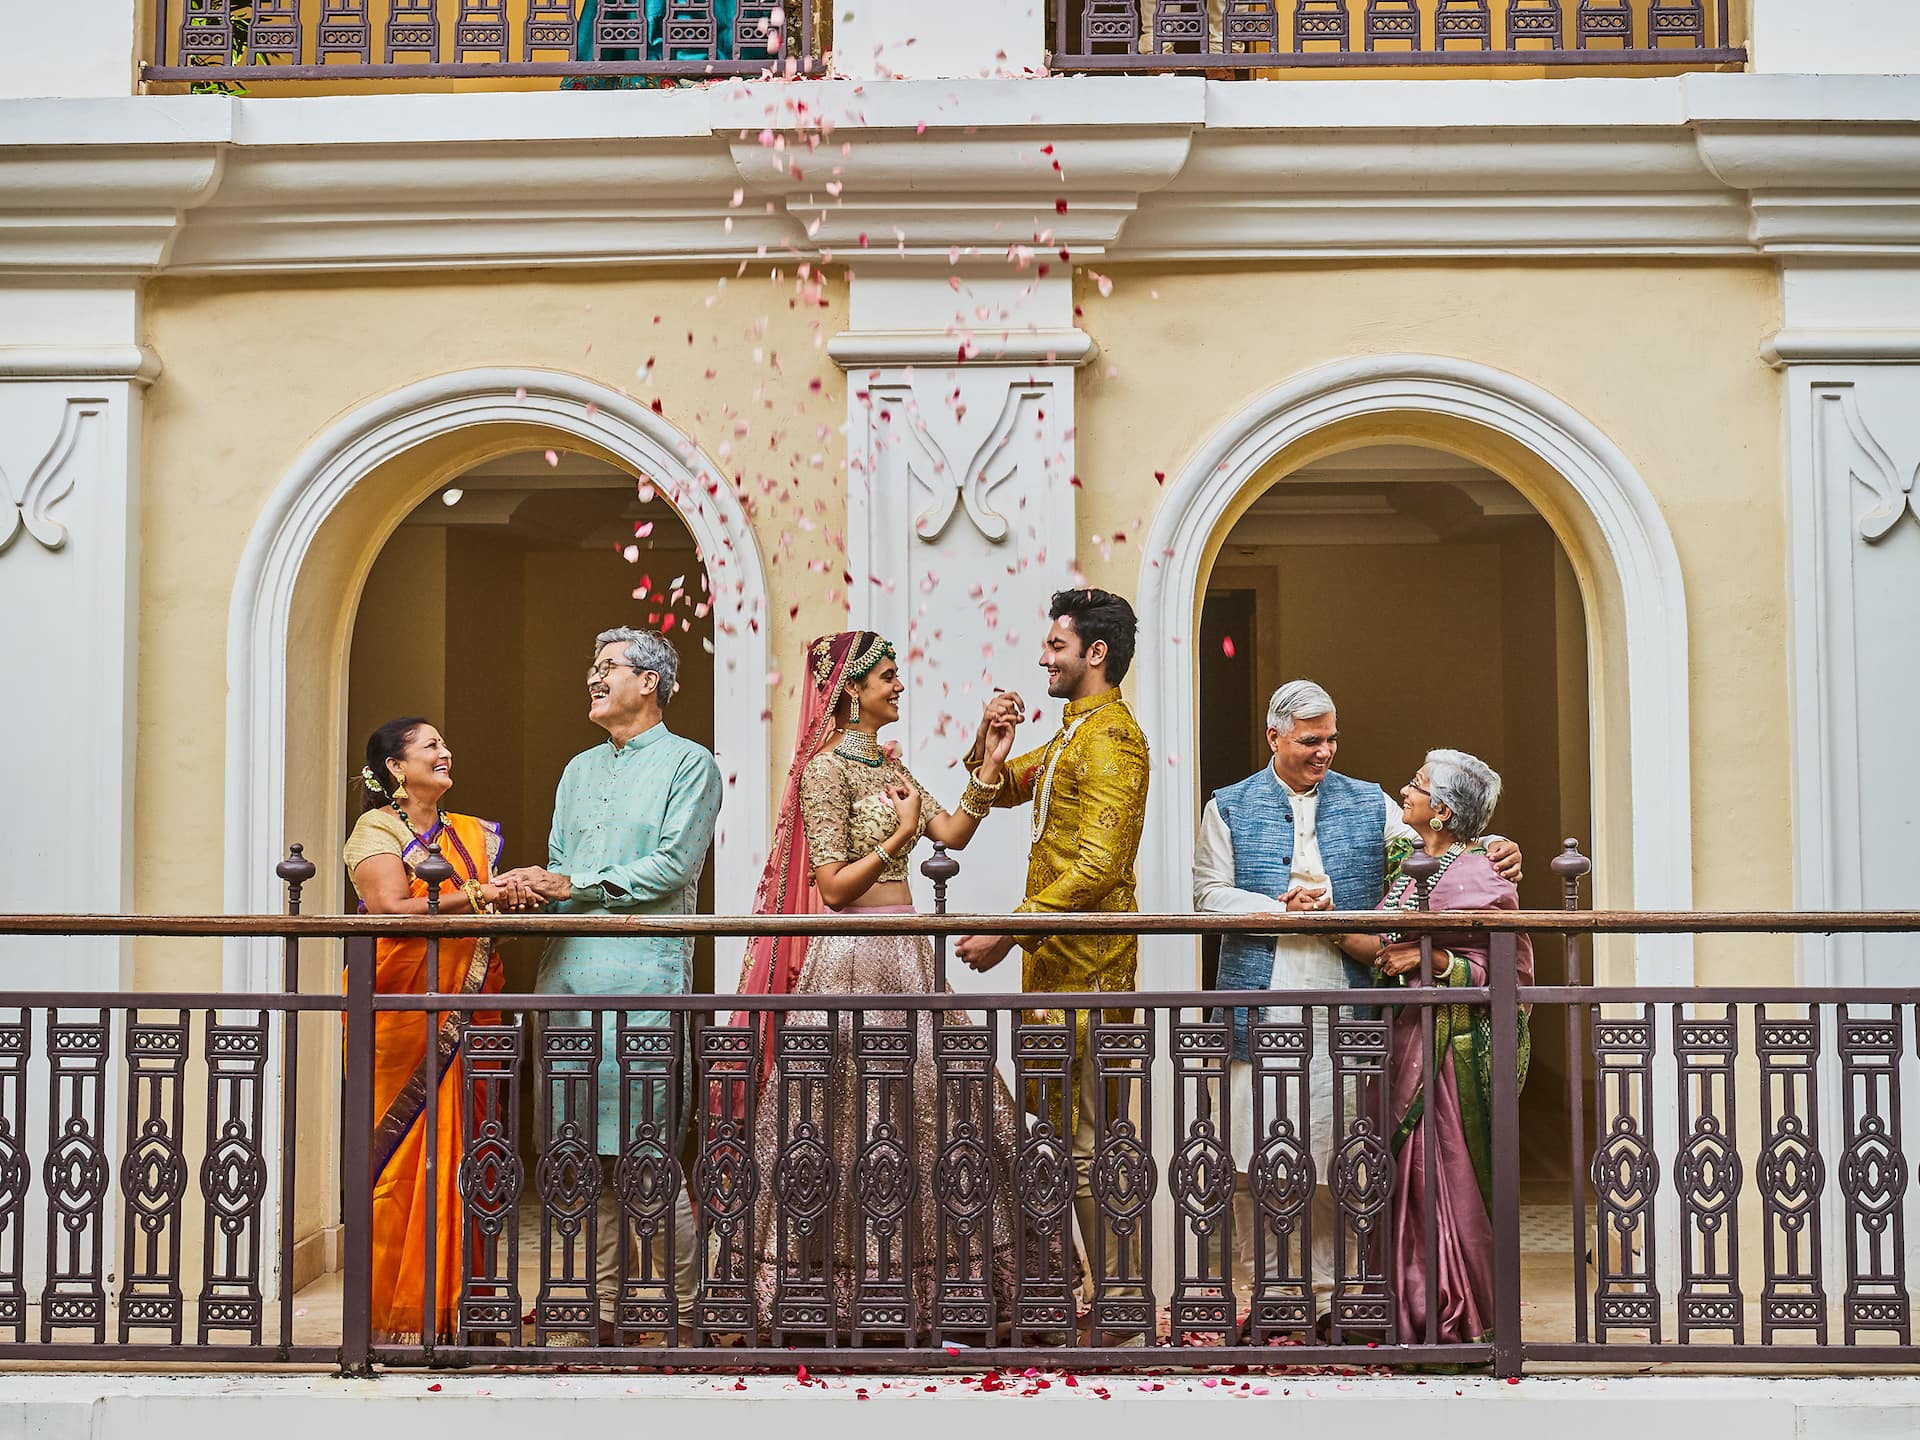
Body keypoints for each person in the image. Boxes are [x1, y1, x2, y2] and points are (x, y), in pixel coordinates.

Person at [1193, 680, 1521, 1338]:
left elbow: (1443, 844)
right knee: (1263, 1158)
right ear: (1274, 737)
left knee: (1342, 1154)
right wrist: (1275, 909)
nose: (1325, 752)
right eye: (1311, 740)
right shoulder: (1227, 807)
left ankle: (1338, 1299)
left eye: (1332, 739)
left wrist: (1498, 847)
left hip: (1348, 1012)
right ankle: (1275, 1297)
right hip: (1262, 1004)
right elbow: (1207, 896)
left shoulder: (1371, 802)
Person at [735, 629, 1023, 1337]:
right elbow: (832, 889)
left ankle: (933, 1292)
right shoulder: (824, 772)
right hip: (854, 956)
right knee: (844, 1117)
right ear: (850, 691)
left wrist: (988, 763)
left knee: (931, 1112)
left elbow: (951, 833)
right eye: (887, 677)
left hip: (908, 957)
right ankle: (838, 1292)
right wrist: (896, 840)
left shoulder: (891, 766)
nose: (898, 686)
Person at [497, 627, 723, 1344]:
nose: (592, 679)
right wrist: (536, 885)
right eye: (591, 667)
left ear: (649, 682)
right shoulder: (577, 770)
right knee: (573, 1157)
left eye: (607, 668)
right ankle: (580, 1314)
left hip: (641, 980)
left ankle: (678, 1315)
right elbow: (565, 863)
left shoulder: (691, 764)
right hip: (565, 975)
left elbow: (670, 869)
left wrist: (573, 884)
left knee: (645, 1155)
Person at [955, 588, 1151, 1324]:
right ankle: (1079, 1300)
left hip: (1093, 978)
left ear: (1094, 654)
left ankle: (1122, 1308)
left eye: (1055, 646)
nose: (1042, 656)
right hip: (1054, 973)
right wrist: (990, 734)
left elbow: (1100, 865)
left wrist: (1009, 930)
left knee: (1095, 1152)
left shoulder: (1112, 740)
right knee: (1059, 1147)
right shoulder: (1074, 734)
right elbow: (1000, 785)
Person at [1333, 749, 1533, 1345]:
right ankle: (1403, 1309)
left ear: (1441, 809)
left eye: (1417, 785)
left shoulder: (1481, 872)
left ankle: (1451, 1315)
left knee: (1440, 1174)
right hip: (1402, 1037)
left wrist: (1436, 962)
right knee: (1400, 1176)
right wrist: (1328, 920)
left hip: (1450, 1054)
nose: (1406, 788)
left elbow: (1507, 971)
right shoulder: (1410, 860)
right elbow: (1388, 937)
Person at [343, 716, 509, 1345]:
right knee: (405, 1159)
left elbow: (468, 906)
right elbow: (392, 911)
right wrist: (486, 893)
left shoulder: (467, 835)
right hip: (406, 1014)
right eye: (432, 745)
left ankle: (463, 1307)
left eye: (445, 741)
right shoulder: (377, 829)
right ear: (396, 766)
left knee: (471, 1150)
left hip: (470, 1012)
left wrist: (500, 893)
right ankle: (400, 1315)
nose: (447, 751)